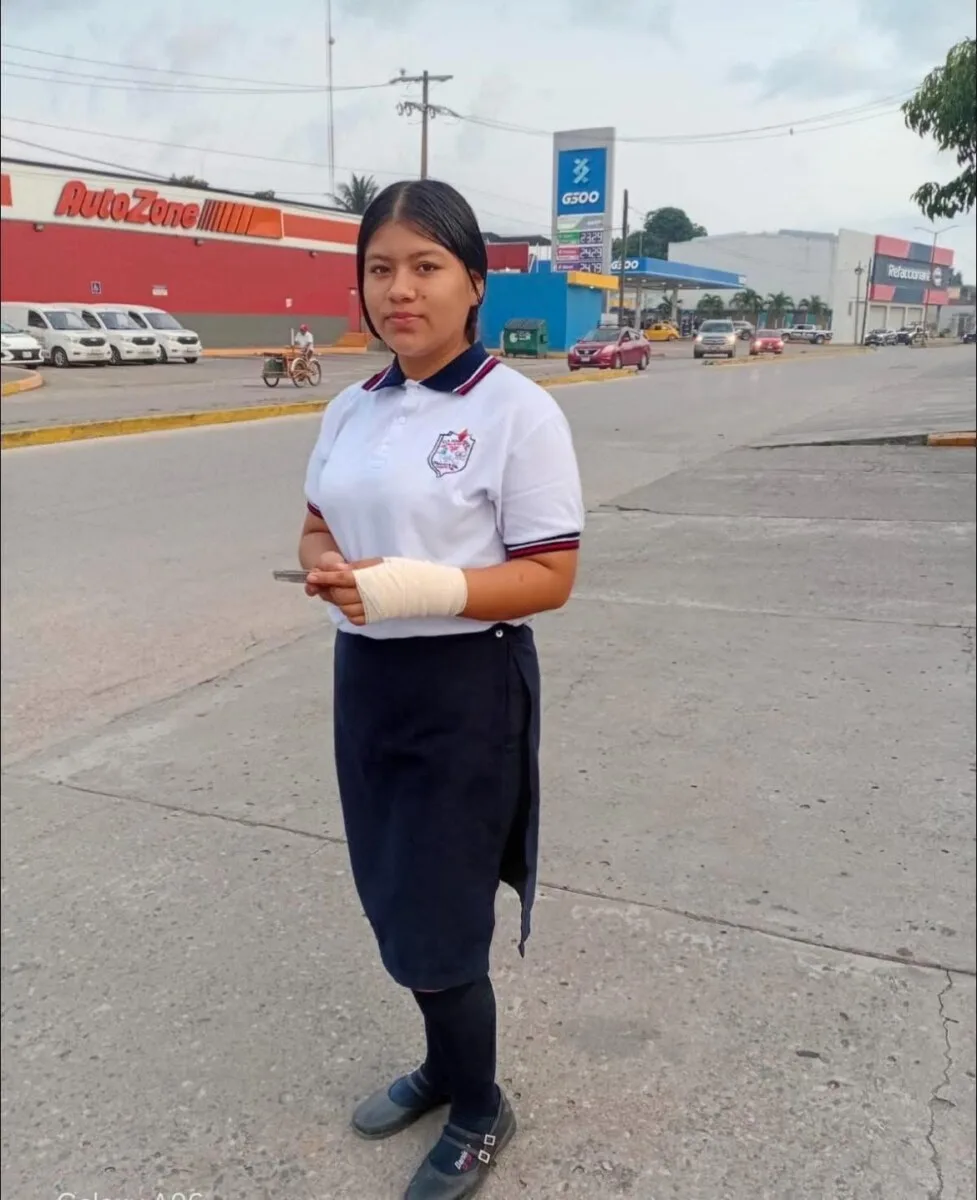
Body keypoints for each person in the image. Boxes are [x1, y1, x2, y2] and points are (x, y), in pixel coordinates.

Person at [297, 179, 583, 1199]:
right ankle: (442, 1065)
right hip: (367, 680)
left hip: (465, 689)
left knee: (442, 911)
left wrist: (408, 587)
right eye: (380, 268)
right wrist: (331, 570)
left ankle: (477, 1105)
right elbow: (316, 526)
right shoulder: (350, 407)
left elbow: (549, 575)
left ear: (474, 283)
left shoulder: (516, 412)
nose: (399, 290)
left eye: (425, 267)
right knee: (392, 892)